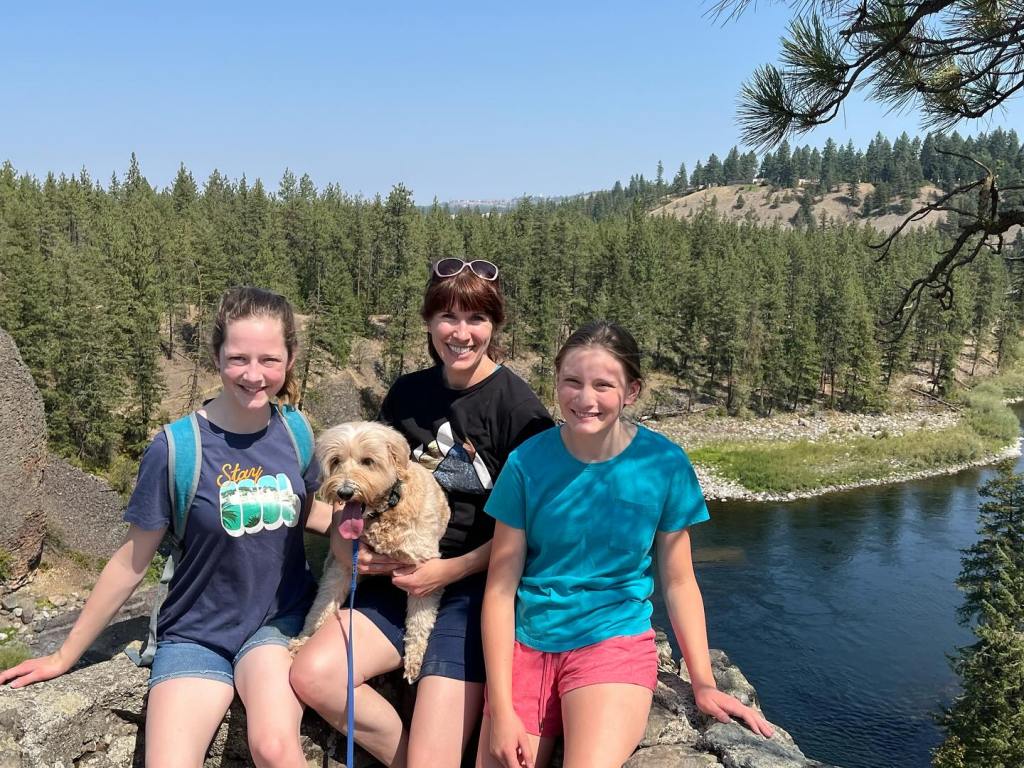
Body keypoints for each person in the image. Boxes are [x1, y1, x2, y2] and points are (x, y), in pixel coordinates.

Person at [0, 286, 331, 768]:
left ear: (290, 359)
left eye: (269, 360)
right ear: (216, 355)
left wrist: (373, 532)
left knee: (275, 749)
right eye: (238, 358)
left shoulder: (295, 431)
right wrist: (64, 655)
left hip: (274, 623)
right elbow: (132, 561)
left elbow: (306, 510)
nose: (254, 374)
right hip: (195, 632)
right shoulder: (177, 448)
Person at [291, 257, 554, 768]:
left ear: (495, 324)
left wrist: (447, 571)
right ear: (429, 321)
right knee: (313, 676)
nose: (461, 333)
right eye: (448, 317)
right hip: (394, 578)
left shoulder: (519, 411)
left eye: (476, 319)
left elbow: (537, 528)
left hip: (475, 590)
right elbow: (360, 487)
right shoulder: (408, 395)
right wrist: (349, 549)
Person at [478, 320, 774, 768]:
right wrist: (501, 709)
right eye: (572, 382)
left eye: (603, 385)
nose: (585, 399)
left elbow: (679, 582)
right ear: (556, 382)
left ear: (631, 391)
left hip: (611, 642)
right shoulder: (526, 463)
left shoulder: (663, 463)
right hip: (530, 642)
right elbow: (500, 589)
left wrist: (703, 681)